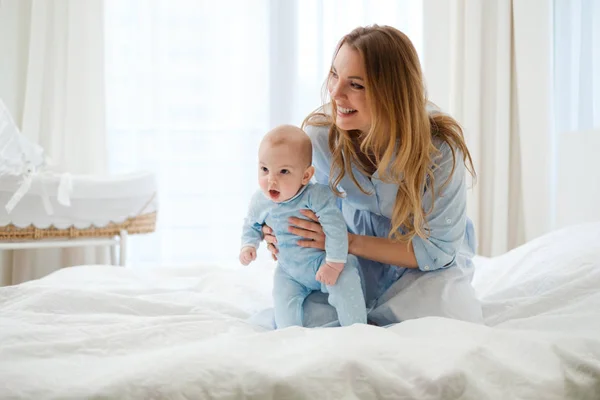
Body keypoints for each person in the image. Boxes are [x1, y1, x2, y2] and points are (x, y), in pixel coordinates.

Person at [258, 25, 484, 327]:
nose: (335, 93)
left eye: (356, 85)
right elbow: (314, 207)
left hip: (420, 261)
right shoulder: (322, 138)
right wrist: (283, 230)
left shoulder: (440, 149)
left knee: (446, 318)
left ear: (391, 94)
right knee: (308, 318)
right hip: (351, 256)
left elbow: (437, 250)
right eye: (335, 75)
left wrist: (349, 242)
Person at [239, 124, 367, 328]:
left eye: (283, 172)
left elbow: (335, 229)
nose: (271, 180)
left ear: (306, 176)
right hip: (290, 271)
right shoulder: (261, 200)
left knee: (346, 278)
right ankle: (289, 335)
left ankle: (357, 328)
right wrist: (249, 245)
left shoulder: (316, 196)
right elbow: (252, 225)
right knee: (282, 297)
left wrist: (333, 264)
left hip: (322, 261)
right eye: (264, 169)